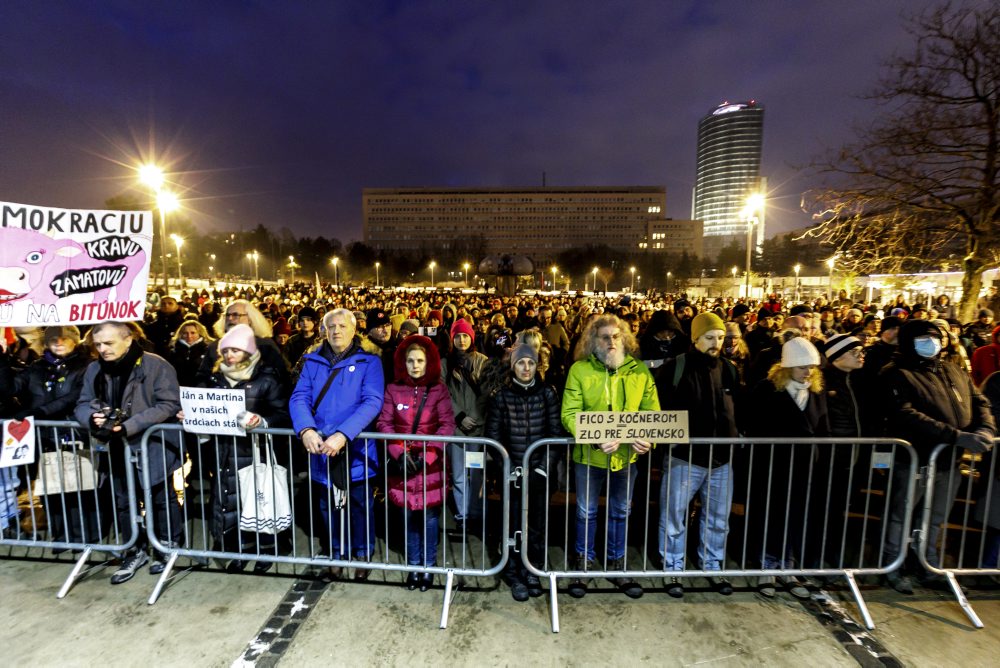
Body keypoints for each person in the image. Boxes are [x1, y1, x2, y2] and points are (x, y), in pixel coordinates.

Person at [879, 319, 996, 594]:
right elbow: (905, 414)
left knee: (935, 516)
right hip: (914, 459)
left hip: (948, 460)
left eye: (935, 337)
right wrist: (955, 436)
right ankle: (892, 566)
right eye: (923, 338)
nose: (931, 343)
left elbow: (978, 401)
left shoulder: (952, 369)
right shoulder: (896, 373)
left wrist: (986, 428)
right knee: (901, 516)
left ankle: (927, 564)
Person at [74, 321, 183, 584]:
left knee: (160, 497)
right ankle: (133, 549)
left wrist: (129, 426)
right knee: (123, 500)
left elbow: (168, 403)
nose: (102, 349)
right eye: (98, 344)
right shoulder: (94, 369)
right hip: (114, 449)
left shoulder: (156, 365)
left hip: (152, 444)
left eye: (108, 343)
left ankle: (166, 546)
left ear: (128, 338)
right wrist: (92, 418)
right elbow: (82, 403)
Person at [561, 314, 659, 599]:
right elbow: (569, 414)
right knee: (586, 512)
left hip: (626, 458)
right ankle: (584, 563)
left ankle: (617, 562)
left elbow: (651, 410)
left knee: (620, 511)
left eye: (616, 336)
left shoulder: (639, 371)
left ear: (625, 339)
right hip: (590, 458)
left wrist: (647, 436)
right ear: (594, 341)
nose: (611, 342)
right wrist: (595, 438)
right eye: (604, 337)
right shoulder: (580, 371)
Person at [289, 309, 384, 581]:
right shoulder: (312, 361)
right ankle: (335, 551)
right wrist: (305, 429)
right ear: (324, 331)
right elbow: (299, 398)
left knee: (360, 504)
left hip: (356, 450)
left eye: (343, 326)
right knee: (325, 504)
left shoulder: (370, 362)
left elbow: (372, 401)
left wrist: (344, 434)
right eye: (331, 326)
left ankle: (362, 553)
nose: (336, 331)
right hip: (320, 448)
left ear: (355, 331)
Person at [656, 312, 741, 598]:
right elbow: (661, 410)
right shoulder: (675, 368)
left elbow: (735, 408)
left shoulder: (729, 369)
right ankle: (672, 568)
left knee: (718, 518)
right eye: (709, 338)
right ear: (695, 338)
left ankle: (712, 565)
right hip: (685, 458)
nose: (716, 343)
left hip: (721, 460)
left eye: (720, 337)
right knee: (674, 517)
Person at [199, 324, 289, 573]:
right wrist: (192, 414)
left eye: (236, 350)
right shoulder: (215, 379)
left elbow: (282, 414)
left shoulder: (266, 379)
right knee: (233, 502)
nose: (229, 355)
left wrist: (262, 422)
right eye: (226, 350)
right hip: (224, 451)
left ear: (248, 352)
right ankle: (240, 549)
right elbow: (205, 408)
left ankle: (267, 549)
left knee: (259, 501)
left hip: (254, 452)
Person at [747, 337, 829, 599]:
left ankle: (788, 566)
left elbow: (822, 428)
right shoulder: (767, 389)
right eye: (803, 367)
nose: (808, 372)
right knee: (771, 514)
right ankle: (766, 567)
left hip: (805, 466)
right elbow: (754, 423)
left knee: (797, 515)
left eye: (811, 368)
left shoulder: (815, 393)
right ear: (788, 367)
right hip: (774, 465)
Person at [1, 326, 96, 546]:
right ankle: (61, 536)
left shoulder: (87, 365)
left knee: (77, 488)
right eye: (53, 339)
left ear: (75, 340)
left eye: (65, 338)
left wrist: (39, 412)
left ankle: (83, 536)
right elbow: (9, 388)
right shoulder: (37, 367)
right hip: (44, 438)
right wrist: (2, 359)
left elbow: (75, 396)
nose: (59, 342)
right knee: (50, 489)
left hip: (73, 433)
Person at [485, 343, 563, 601]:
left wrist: (542, 469)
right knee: (513, 524)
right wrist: (509, 468)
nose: (526, 368)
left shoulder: (547, 394)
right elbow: (494, 438)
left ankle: (533, 569)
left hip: (539, 474)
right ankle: (513, 571)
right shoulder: (501, 396)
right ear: (513, 365)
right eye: (521, 363)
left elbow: (554, 435)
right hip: (513, 473)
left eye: (530, 363)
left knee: (536, 525)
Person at [378, 335, 456, 591]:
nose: (415, 365)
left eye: (420, 360)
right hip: (404, 465)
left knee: (430, 518)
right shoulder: (393, 388)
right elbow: (385, 424)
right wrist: (399, 453)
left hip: (430, 465)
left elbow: (446, 426)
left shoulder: (439, 390)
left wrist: (428, 456)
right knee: (410, 516)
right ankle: (414, 567)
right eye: (410, 360)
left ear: (428, 362)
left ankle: (429, 567)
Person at [440, 319, 488, 533]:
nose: (461, 340)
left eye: (465, 336)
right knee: (459, 475)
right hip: (456, 429)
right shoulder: (444, 363)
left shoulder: (482, 362)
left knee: (476, 474)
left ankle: (475, 513)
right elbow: (443, 394)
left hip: (478, 430)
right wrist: (459, 416)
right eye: (457, 336)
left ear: (472, 337)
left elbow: (488, 393)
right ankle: (463, 515)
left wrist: (477, 418)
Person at [167, 318, 212, 388]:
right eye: (185, 333)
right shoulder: (173, 350)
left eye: (193, 333)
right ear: (181, 334)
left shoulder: (208, 350)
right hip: (177, 390)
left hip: (200, 391)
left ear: (200, 334)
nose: (189, 336)